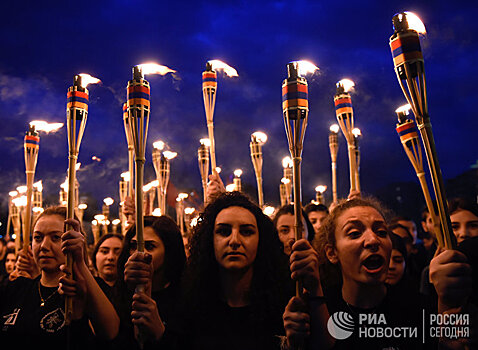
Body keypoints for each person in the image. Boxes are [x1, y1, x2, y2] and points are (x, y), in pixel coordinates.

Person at [163, 191, 291, 349]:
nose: (234, 241)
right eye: (224, 231)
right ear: (210, 240)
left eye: (246, 232)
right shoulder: (189, 306)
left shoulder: (285, 307)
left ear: (261, 240)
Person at [0, 206, 119, 348]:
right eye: (38, 237)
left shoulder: (90, 289)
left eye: (56, 237)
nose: (44, 246)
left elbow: (110, 332)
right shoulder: (16, 287)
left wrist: (80, 263)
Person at [116, 215, 186, 347]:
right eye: (133, 246)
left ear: (169, 251)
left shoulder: (185, 297)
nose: (139, 253)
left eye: (150, 246)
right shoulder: (119, 293)